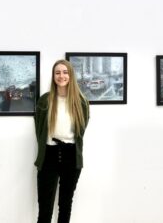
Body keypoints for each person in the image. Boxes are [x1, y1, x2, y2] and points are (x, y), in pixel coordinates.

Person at [34, 59, 90, 223]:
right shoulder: (45, 101)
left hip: (71, 156)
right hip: (49, 155)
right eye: (57, 72)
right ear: (53, 76)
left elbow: (81, 130)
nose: (61, 76)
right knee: (45, 208)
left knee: (65, 206)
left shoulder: (81, 102)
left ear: (71, 75)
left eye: (65, 72)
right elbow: (40, 130)